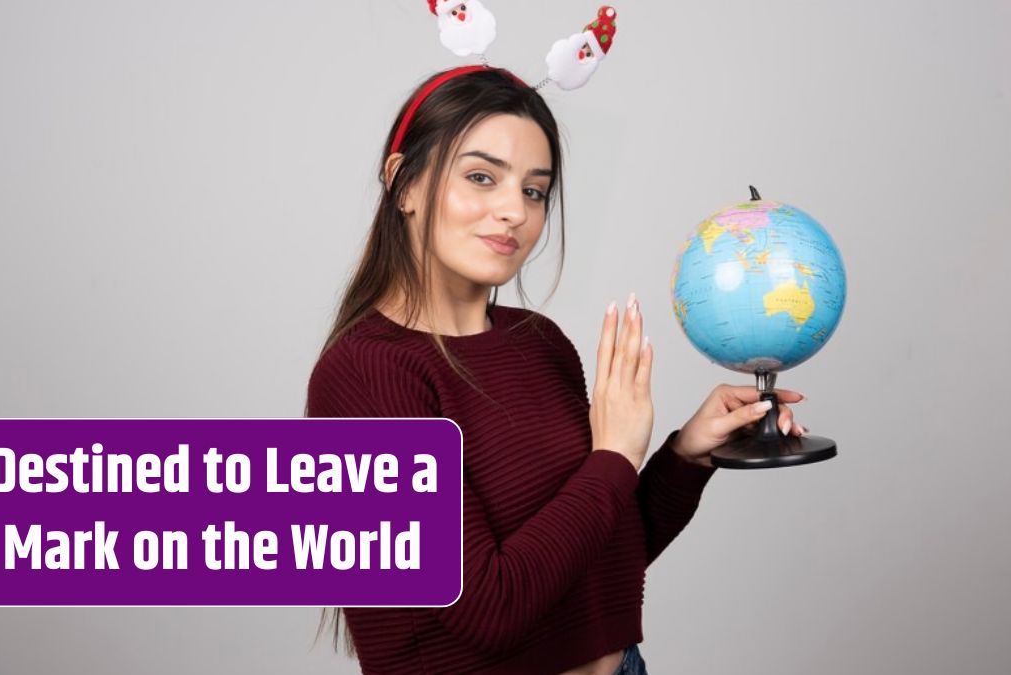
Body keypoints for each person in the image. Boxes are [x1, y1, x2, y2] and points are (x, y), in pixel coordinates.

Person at [305, 66, 806, 675]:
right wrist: (615, 455)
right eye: (481, 177)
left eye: (534, 191)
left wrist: (686, 456)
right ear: (402, 183)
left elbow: (597, 564)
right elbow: (489, 609)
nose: (513, 211)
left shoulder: (540, 344)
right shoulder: (363, 376)